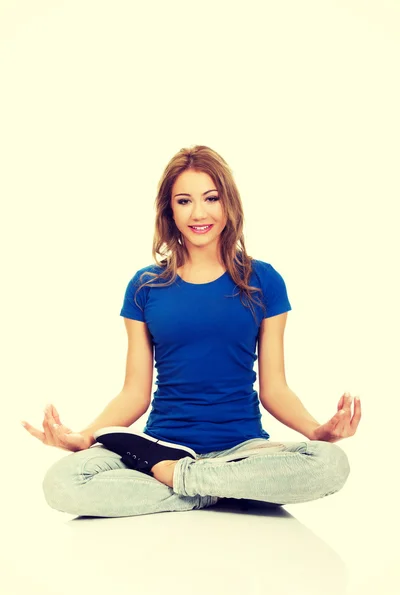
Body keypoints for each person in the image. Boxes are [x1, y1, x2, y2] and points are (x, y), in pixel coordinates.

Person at [21, 145, 361, 518]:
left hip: (242, 453)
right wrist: (85, 436)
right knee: (62, 482)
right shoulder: (145, 287)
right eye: (184, 201)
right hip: (159, 448)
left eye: (211, 198)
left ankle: (186, 480)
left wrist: (317, 432)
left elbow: (274, 389)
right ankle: (218, 490)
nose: (199, 213)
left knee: (331, 464)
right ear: (169, 210)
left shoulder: (263, 280)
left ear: (228, 203)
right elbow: (134, 392)